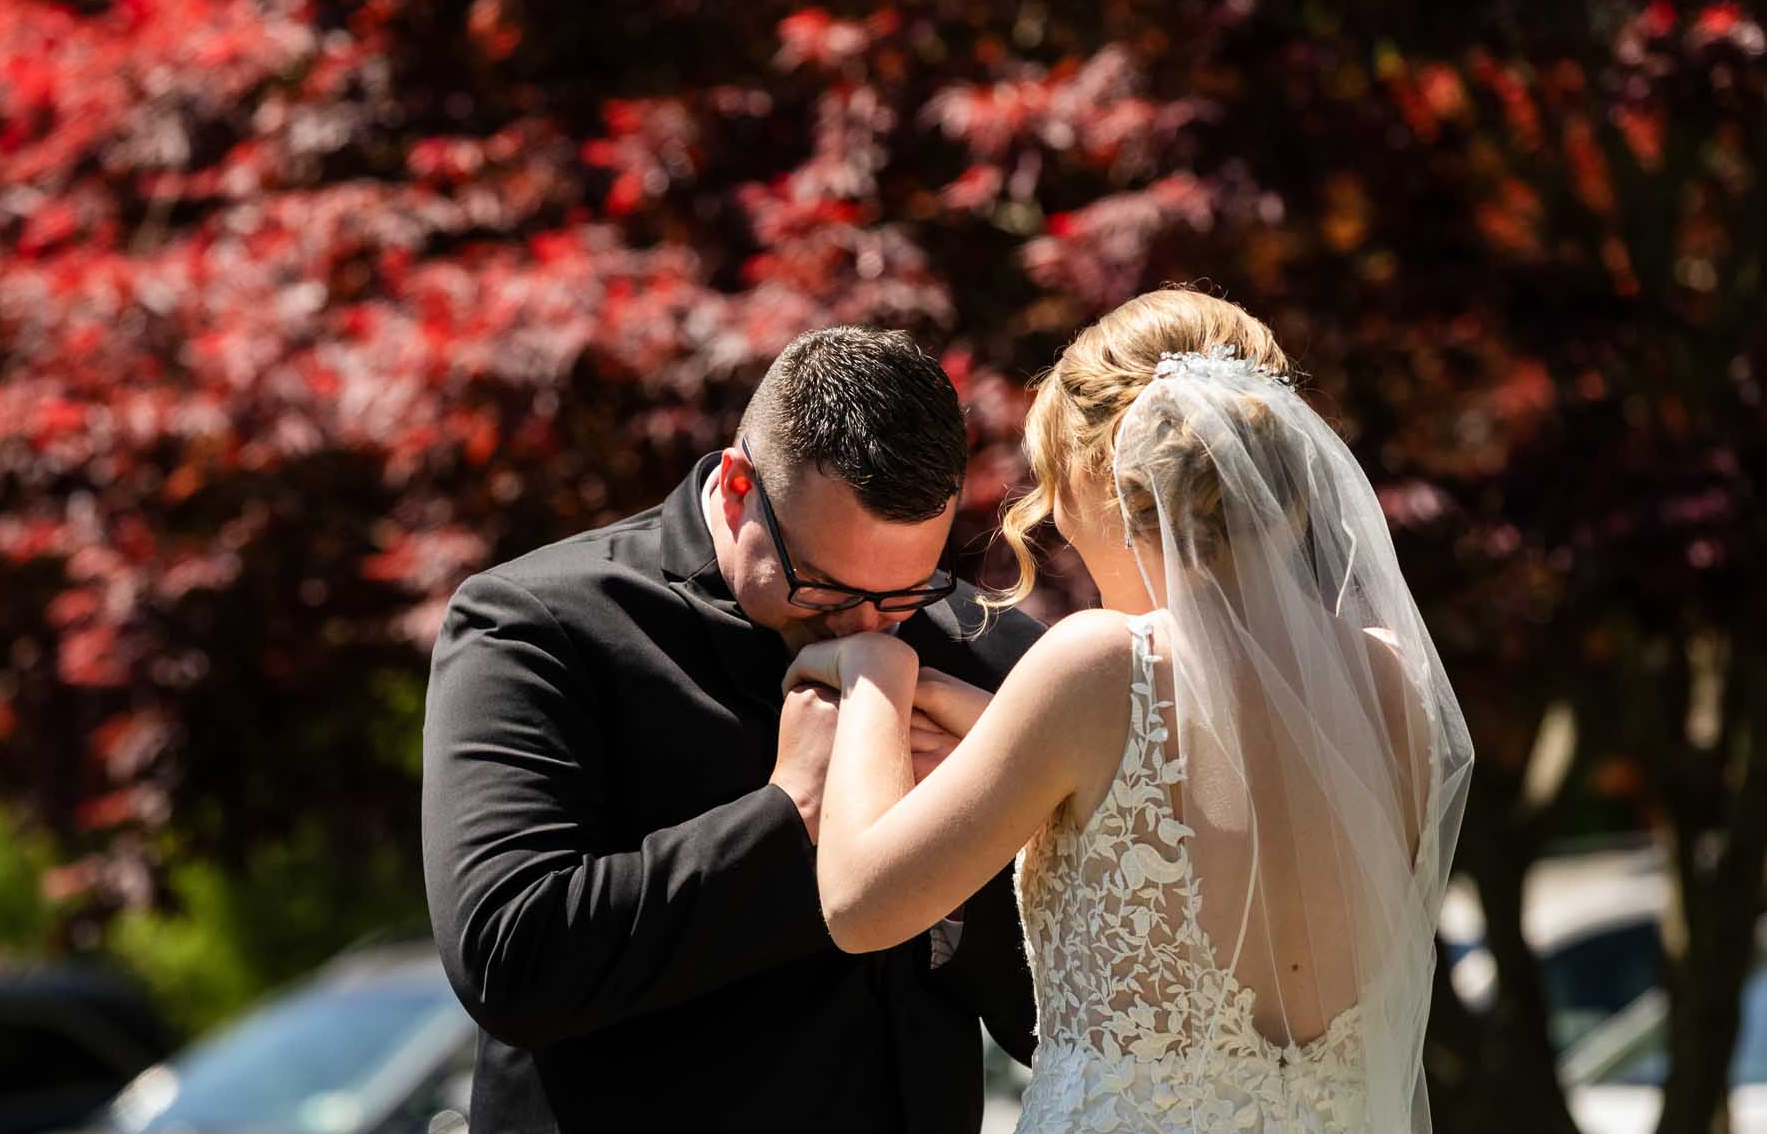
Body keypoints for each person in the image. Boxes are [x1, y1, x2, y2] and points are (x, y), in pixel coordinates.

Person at [796, 290, 1475, 1132]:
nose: (1059, 536)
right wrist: (997, 723)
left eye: (1056, 502)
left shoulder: (1099, 661)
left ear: (1101, 483)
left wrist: (872, 673)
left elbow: (862, 904)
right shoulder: (1393, 680)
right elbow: (1219, 790)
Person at [422, 326, 1044, 1134]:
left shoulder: (989, 651)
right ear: (740, 482)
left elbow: (1065, 1019)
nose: (865, 627)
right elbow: (511, 955)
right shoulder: (535, 625)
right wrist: (791, 813)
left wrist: (968, 839)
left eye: (904, 593)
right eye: (821, 588)